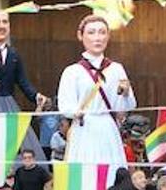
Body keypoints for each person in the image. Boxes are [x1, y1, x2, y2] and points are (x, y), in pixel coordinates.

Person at [57, 14, 134, 181]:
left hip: (108, 128)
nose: (97, 38)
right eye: (91, 32)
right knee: (86, 176)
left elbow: (125, 107)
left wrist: (126, 92)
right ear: (81, 36)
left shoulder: (116, 69)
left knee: (111, 174)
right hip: (84, 129)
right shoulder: (72, 72)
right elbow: (64, 104)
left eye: (102, 32)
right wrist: (75, 112)